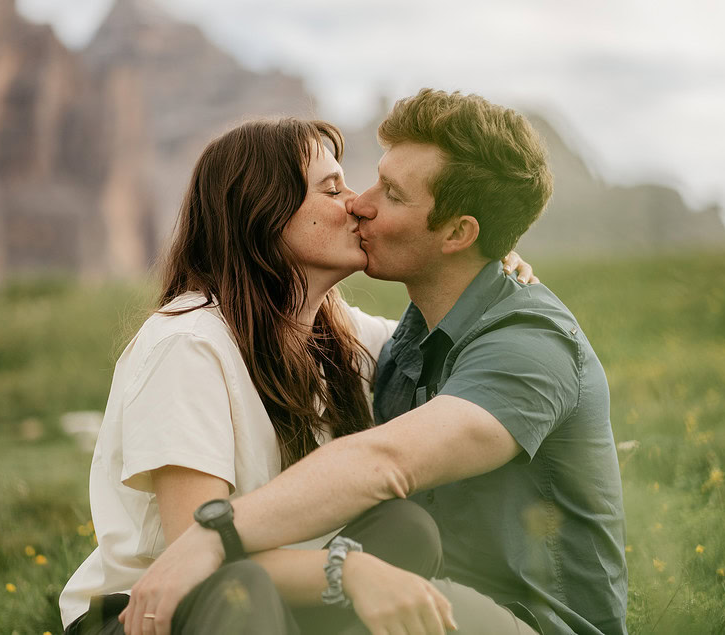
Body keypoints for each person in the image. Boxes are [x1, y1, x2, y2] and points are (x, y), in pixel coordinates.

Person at [124, 89, 628, 635]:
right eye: (345, 186)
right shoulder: (394, 342)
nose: (360, 204)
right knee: (397, 543)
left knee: (394, 554)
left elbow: (386, 459)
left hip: (530, 623)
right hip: (389, 597)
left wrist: (213, 535)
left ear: (459, 233)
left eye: (390, 192)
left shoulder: (530, 346)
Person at [59, 117, 537, 635]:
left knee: (406, 529)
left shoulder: (340, 335)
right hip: (151, 616)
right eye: (332, 189)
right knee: (247, 590)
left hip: (268, 608)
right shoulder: (188, 345)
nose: (355, 203)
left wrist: (484, 269)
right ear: (263, 213)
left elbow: (455, 345)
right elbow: (191, 554)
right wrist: (348, 570)